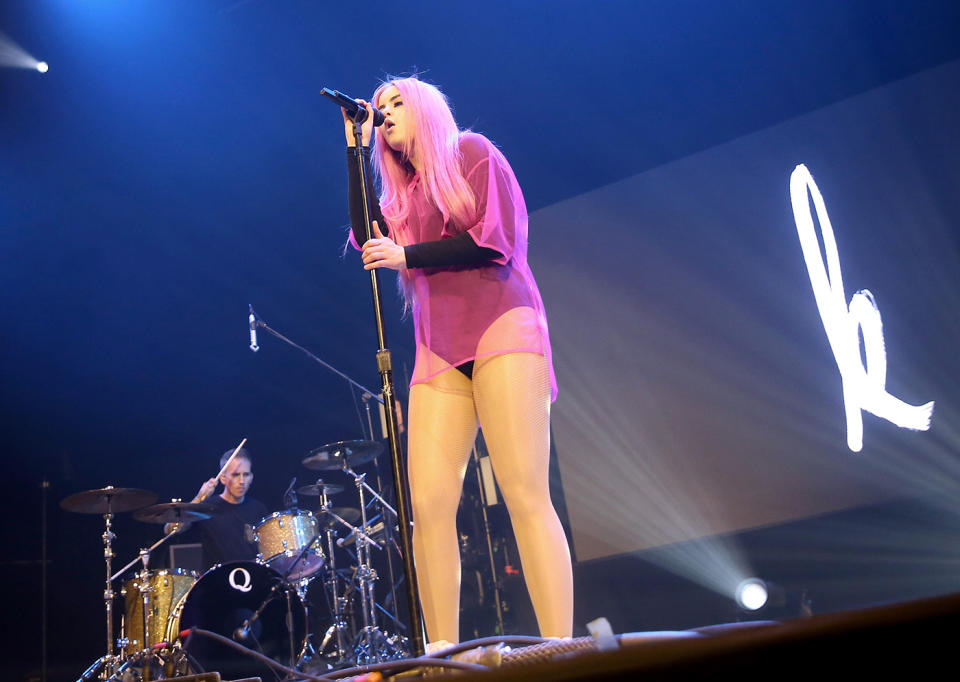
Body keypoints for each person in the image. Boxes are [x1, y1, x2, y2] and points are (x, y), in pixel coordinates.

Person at [341, 76, 573, 648]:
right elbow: (367, 232)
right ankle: (442, 652)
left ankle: (561, 649)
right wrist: (354, 147)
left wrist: (407, 255)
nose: (386, 112)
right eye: (382, 106)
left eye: (397, 102)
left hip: (502, 328)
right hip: (438, 349)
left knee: (523, 491)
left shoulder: (471, 152)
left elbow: (492, 239)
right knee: (429, 505)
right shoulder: (403, 192)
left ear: (425, 108)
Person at [166, 447, 269, 569]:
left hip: (252, 578)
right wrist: (199, 498)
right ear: (223, 478)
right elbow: (170, 529)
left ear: (251, 477)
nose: (242, 481)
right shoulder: (207, 507)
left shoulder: (258, 508)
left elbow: (268, 551)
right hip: (217, 582)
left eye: (246, 474)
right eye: (236, 475)